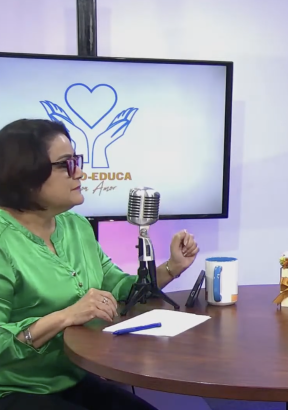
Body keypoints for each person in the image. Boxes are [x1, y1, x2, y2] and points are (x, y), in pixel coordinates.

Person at [0, 119, 200, 410]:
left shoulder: (76, 226)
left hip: (74, 376)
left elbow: (119, 287)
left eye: (77, 161)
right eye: (66, 164)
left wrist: (171, 267)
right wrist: (66, 316)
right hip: (15, 389)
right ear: (25, 174)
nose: (80, 172)